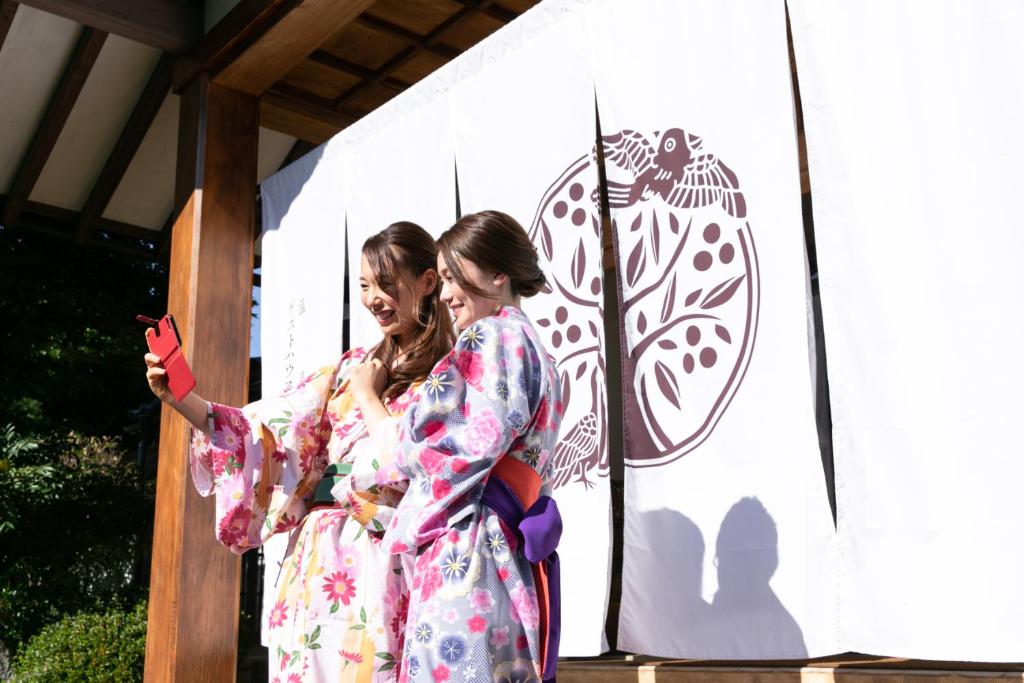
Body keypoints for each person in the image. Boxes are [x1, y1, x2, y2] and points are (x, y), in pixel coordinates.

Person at [144, 222, 454, 682]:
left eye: (387, 284)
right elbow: (267, 430)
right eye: (366, 285)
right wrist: (181, 399)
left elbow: (421, 470)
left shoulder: (450, 375)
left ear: (428, 282)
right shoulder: (352, 367)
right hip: (315, 558)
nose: (373, 299)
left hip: (381, 557)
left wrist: (370, 398)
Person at [344, 210, 565, 683]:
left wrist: (367, 467)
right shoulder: (538, 349)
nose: (444, 294)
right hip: (505, 543)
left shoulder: (492, 335)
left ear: (497, 274)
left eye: (451, 277)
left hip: (470, 548)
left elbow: (431, 447)